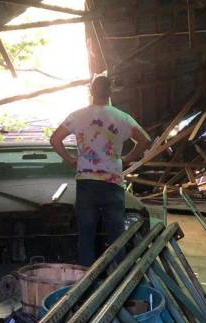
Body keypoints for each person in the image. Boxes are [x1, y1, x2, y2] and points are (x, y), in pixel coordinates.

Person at [50, 75, 151, 267]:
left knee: (86, 236)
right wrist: (127, 159)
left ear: (91, 91)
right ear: (110, 92)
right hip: (112, 184)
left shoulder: (77, 116)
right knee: (117, 237)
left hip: (86, 183)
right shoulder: (122, 118)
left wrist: (71, 159)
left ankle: (87, 281)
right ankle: (118, 281)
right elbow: (145, 140)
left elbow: (55, 140)